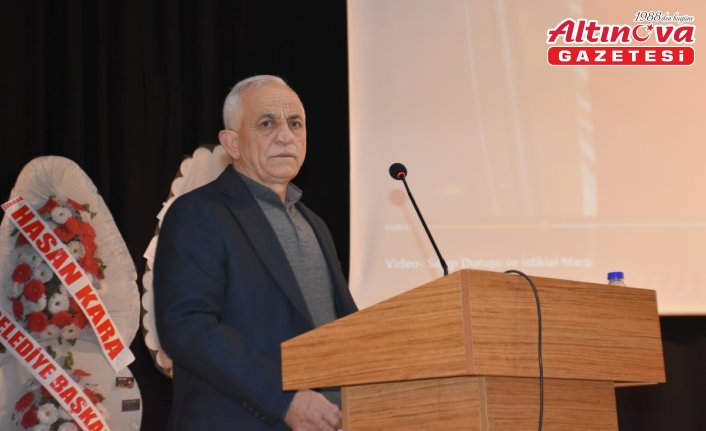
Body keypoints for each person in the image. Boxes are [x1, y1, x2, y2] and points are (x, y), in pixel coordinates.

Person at [153, 75, 358, 430]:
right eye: (267, 123)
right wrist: (284, 400)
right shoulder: (199, 213)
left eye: (295, 123)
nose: (286, 136)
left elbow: (340, 326)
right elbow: (187, 325)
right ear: (232, 143)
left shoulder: (315, 224)